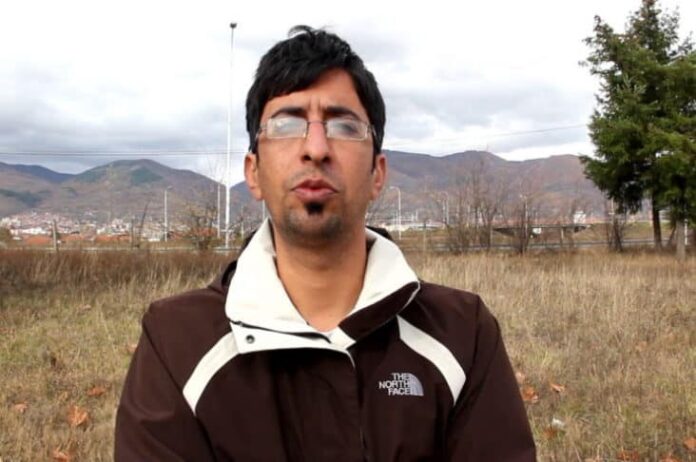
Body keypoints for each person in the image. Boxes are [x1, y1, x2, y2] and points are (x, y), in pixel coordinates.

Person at [115, 25, 536, 461]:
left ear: (377, 174)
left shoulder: (462, 334)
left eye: (344, 125)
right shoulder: (177, 344)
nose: (316, 148)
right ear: (253, 173)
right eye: (286, 123)